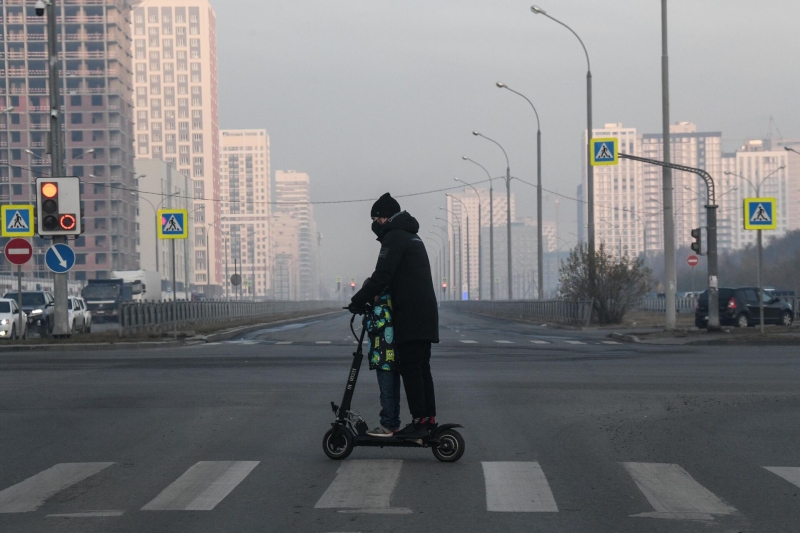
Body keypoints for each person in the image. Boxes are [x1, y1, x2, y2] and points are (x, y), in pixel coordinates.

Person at [350, 193, 439, 439]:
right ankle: (428, 419)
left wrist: (357, 301)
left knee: (412, 370)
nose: (376, 224)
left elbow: (382, 275)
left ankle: (420, 423)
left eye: (376, 218)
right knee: (421, 369)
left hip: (410, 315)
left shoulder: (395, 237)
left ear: (385, 217)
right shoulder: (412, 236)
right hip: (424, 313)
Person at [363, 291, 401, 437]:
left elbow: (372, 326)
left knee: (386, 393)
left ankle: (387, 425)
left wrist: (367, 312)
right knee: (393, 393)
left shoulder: (380, 307)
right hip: (392, 358)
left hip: (383, 359)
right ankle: (393, 423)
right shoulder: (390, 305)